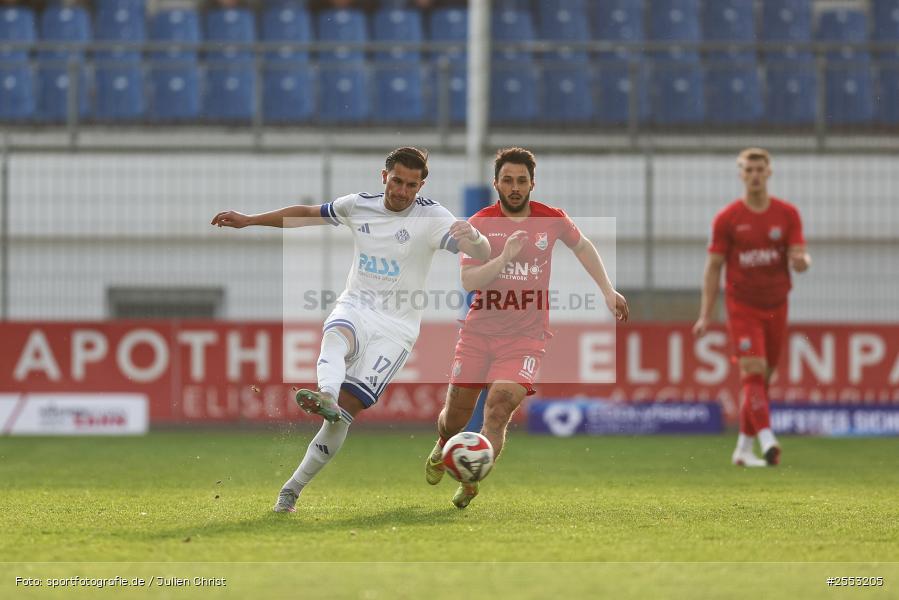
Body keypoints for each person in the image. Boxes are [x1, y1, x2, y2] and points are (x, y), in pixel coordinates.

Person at [211, 147, 491, 512]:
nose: (402, 191)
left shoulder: (433, 216)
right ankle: (325, 396)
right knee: (335, 336)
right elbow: (307, 214)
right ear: (383, 176)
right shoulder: (358, 205)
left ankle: (292, 487)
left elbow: (481, 254)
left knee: (345, 412)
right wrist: (250, 220)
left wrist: (475, 237)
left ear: (421, 185)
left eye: (411, 184)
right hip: (356, 305)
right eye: (396, 181)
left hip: (396, 329)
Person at [423, 147, 629, 509]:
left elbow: (583, 247)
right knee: (455, 416)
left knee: (499, 408)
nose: (514, 187)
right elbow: (470, 280)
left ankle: (471, 481)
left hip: (525, 337)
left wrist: (607, 290)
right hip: (478, 333)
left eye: (521, 180)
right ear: (496, 184)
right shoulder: (480, 224)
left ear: (533, 183)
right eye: (507, 180)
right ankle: (443, 446)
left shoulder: (552, 219)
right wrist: (504, 258)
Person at [693, 147, 810, 468]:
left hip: (776, 304)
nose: (755, 175)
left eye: (760, 169)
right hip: (742, 305)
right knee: (753, 370)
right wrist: (706, 313)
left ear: (769, 172)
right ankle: (767, 439)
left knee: (762, 378)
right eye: (749, 170)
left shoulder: (787, 214)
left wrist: (802, 262)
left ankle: (743, 449)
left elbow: (800, 255)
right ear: (741, 174)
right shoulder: (728, 218)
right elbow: (713, 267)